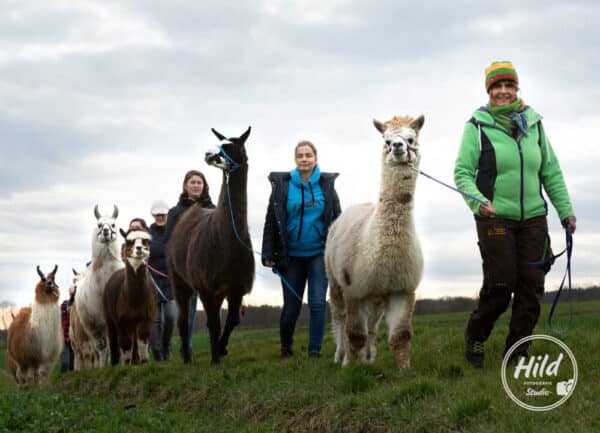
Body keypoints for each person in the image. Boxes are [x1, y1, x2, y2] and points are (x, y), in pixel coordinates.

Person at [454, 61, 576, 368]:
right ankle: (477, 335)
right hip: (494, 216)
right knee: (501, 283)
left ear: (517, 89)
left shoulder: (534, 124)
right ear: (489, 91)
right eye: (497, 87)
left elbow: (551, 171)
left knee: (532, 285)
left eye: (509, 86)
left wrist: (566, 211)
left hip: (533, 217)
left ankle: (517, 351)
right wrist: (478, 202)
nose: (503, 92)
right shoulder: (477, 126)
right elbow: (463, 173)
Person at [262, 140, 341, 358]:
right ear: (295, 160)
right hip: (291, 257)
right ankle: (286, 347)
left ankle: (314, 351)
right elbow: (271, 220)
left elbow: (337, 218)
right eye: (300, 156)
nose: (304, 159)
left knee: (317, 303)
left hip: (319, 254)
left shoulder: (326, 185)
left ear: (315, 158)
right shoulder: (283, 186)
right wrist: (268, 252)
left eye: (308, 155)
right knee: (291, 309)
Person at [164, 170, 216, 354]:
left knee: (213, 310)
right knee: (188, 312)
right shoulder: (175, 212)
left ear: (204, 186)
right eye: (192, 182)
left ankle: (215, 347)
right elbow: (168, 242)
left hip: (208, 270)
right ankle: (186, 347)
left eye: (199, 182)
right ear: (185, 186)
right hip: (184, 272)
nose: (196, 185)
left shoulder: (214, 210)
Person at [147, 200, 178, 361]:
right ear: (153, 215)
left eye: (163, 215)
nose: (160, 217)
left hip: (171, 282)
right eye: (157, 215)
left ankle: (166, 346)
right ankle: (158, 354)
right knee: (155, 321)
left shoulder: (174, 232)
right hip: (152, 282)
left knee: (171, 317)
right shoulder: (146, 235)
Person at [59, 286, 75, 372]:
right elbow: (63, 322)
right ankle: (62, 381)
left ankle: (71, 382)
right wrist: (66, 336)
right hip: (64, 338)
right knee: (65, 363)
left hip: (74, 339)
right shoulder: (64, 305)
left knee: (73, 365)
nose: (73, 295)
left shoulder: (80, 306)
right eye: (72, 293)